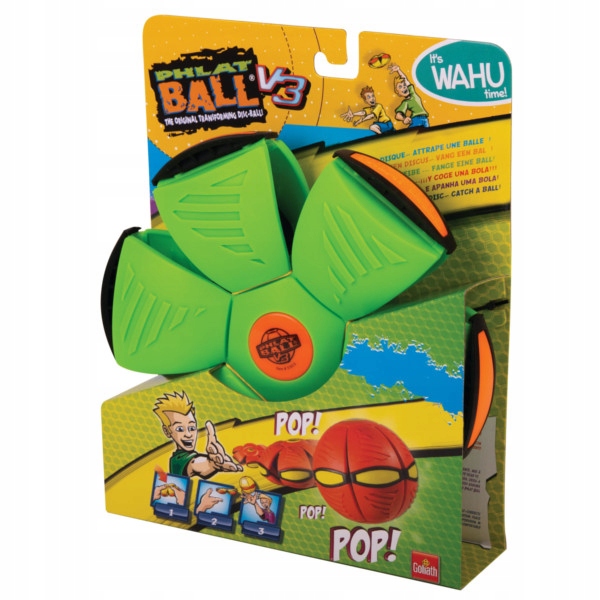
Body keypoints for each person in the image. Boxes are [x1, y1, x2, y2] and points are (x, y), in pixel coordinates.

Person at [153, 391, 242, 478]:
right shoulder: (177, 460)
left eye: (192, 428)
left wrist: (215, 463)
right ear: (167, 431)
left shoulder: (188, 456)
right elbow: (195, 464)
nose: (188, 434)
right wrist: (212, 464)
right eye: (180, 429)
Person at [388, 63, 430, 128]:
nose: (404, 87)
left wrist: (398, 70)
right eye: (400, 87)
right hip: (416, 119)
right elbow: (398, 115)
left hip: (425, 119)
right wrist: (404, 119)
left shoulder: (413, 93)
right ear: (399, 93)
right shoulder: (405, 102)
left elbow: (405, 79)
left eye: (404, 85)